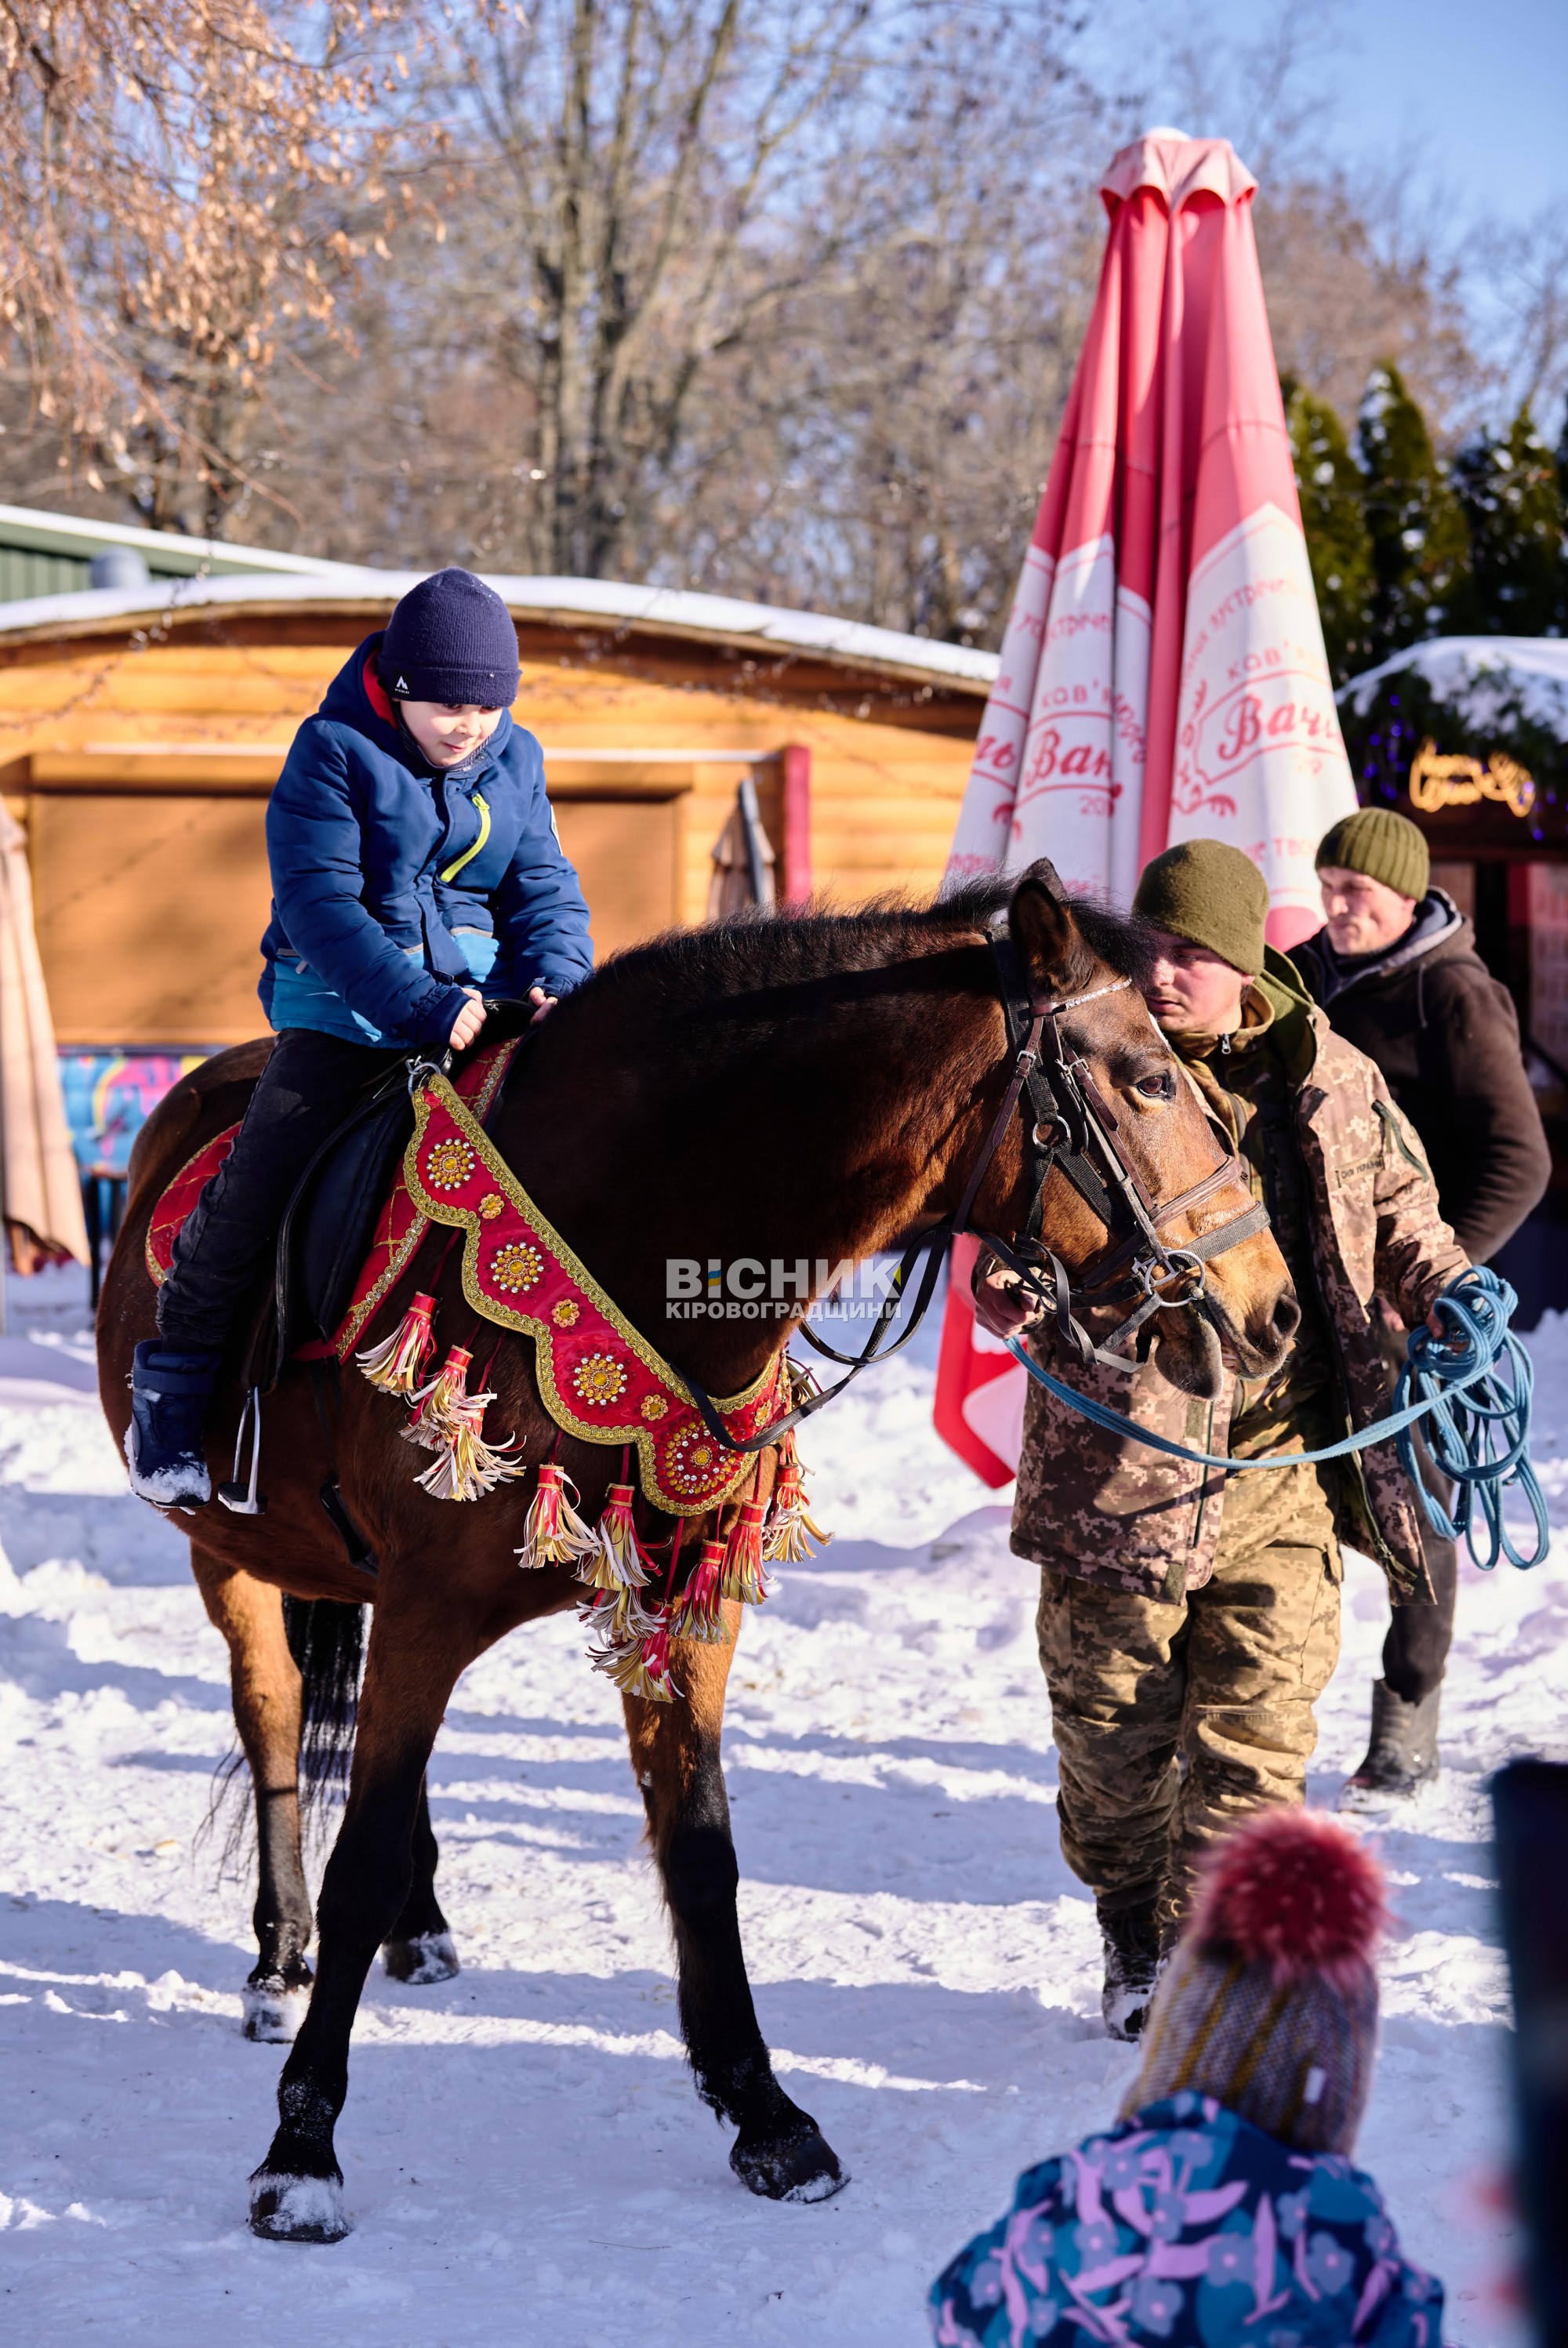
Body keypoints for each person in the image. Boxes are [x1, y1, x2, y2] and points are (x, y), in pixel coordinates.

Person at [975, 839, 1466, 2038]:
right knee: (1112, 1748)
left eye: (1193, 952)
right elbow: (1016, 1219)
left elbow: (1405, 1212)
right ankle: (1132, 1932)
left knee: (1258, 1744)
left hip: (1280, 1470)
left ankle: (1210, 1965)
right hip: (1115, 1478)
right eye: (1150, 946)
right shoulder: (1086, 1065)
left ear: (1248, 962)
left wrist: (1453, 1287)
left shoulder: (1334, 1078)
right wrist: (1007, 1278)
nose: (1164, 972)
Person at [125, 567, 594, 1508]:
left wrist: (559, 982)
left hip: (483, 1004)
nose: (468, 726)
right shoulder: (333, 750)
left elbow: (544, 886)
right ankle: (172, 1397)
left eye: (488, 706)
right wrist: (416, 1002)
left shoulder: (517, 757)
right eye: (447, 705)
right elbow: (318, 902)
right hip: (348, 1004)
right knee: (260, 1181)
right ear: (399, 687)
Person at [929, 1807, 1443, 2348]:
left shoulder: (1068, 2203)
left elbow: (957, 2308)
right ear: (1334, 2103)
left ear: (1167, 2062)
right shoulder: (1346, 2247)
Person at [1292, 809, 1549, 1809]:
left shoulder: (1452, 992)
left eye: (1353, 892)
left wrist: (1437, 1282)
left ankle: (1407, 1715)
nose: (1335, 907)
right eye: (1326, 888)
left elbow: (1518, 1160)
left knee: (1415, 1511)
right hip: (1298, 1296)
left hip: (1404, 1310)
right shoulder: (1304, 977)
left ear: (1403, 896)